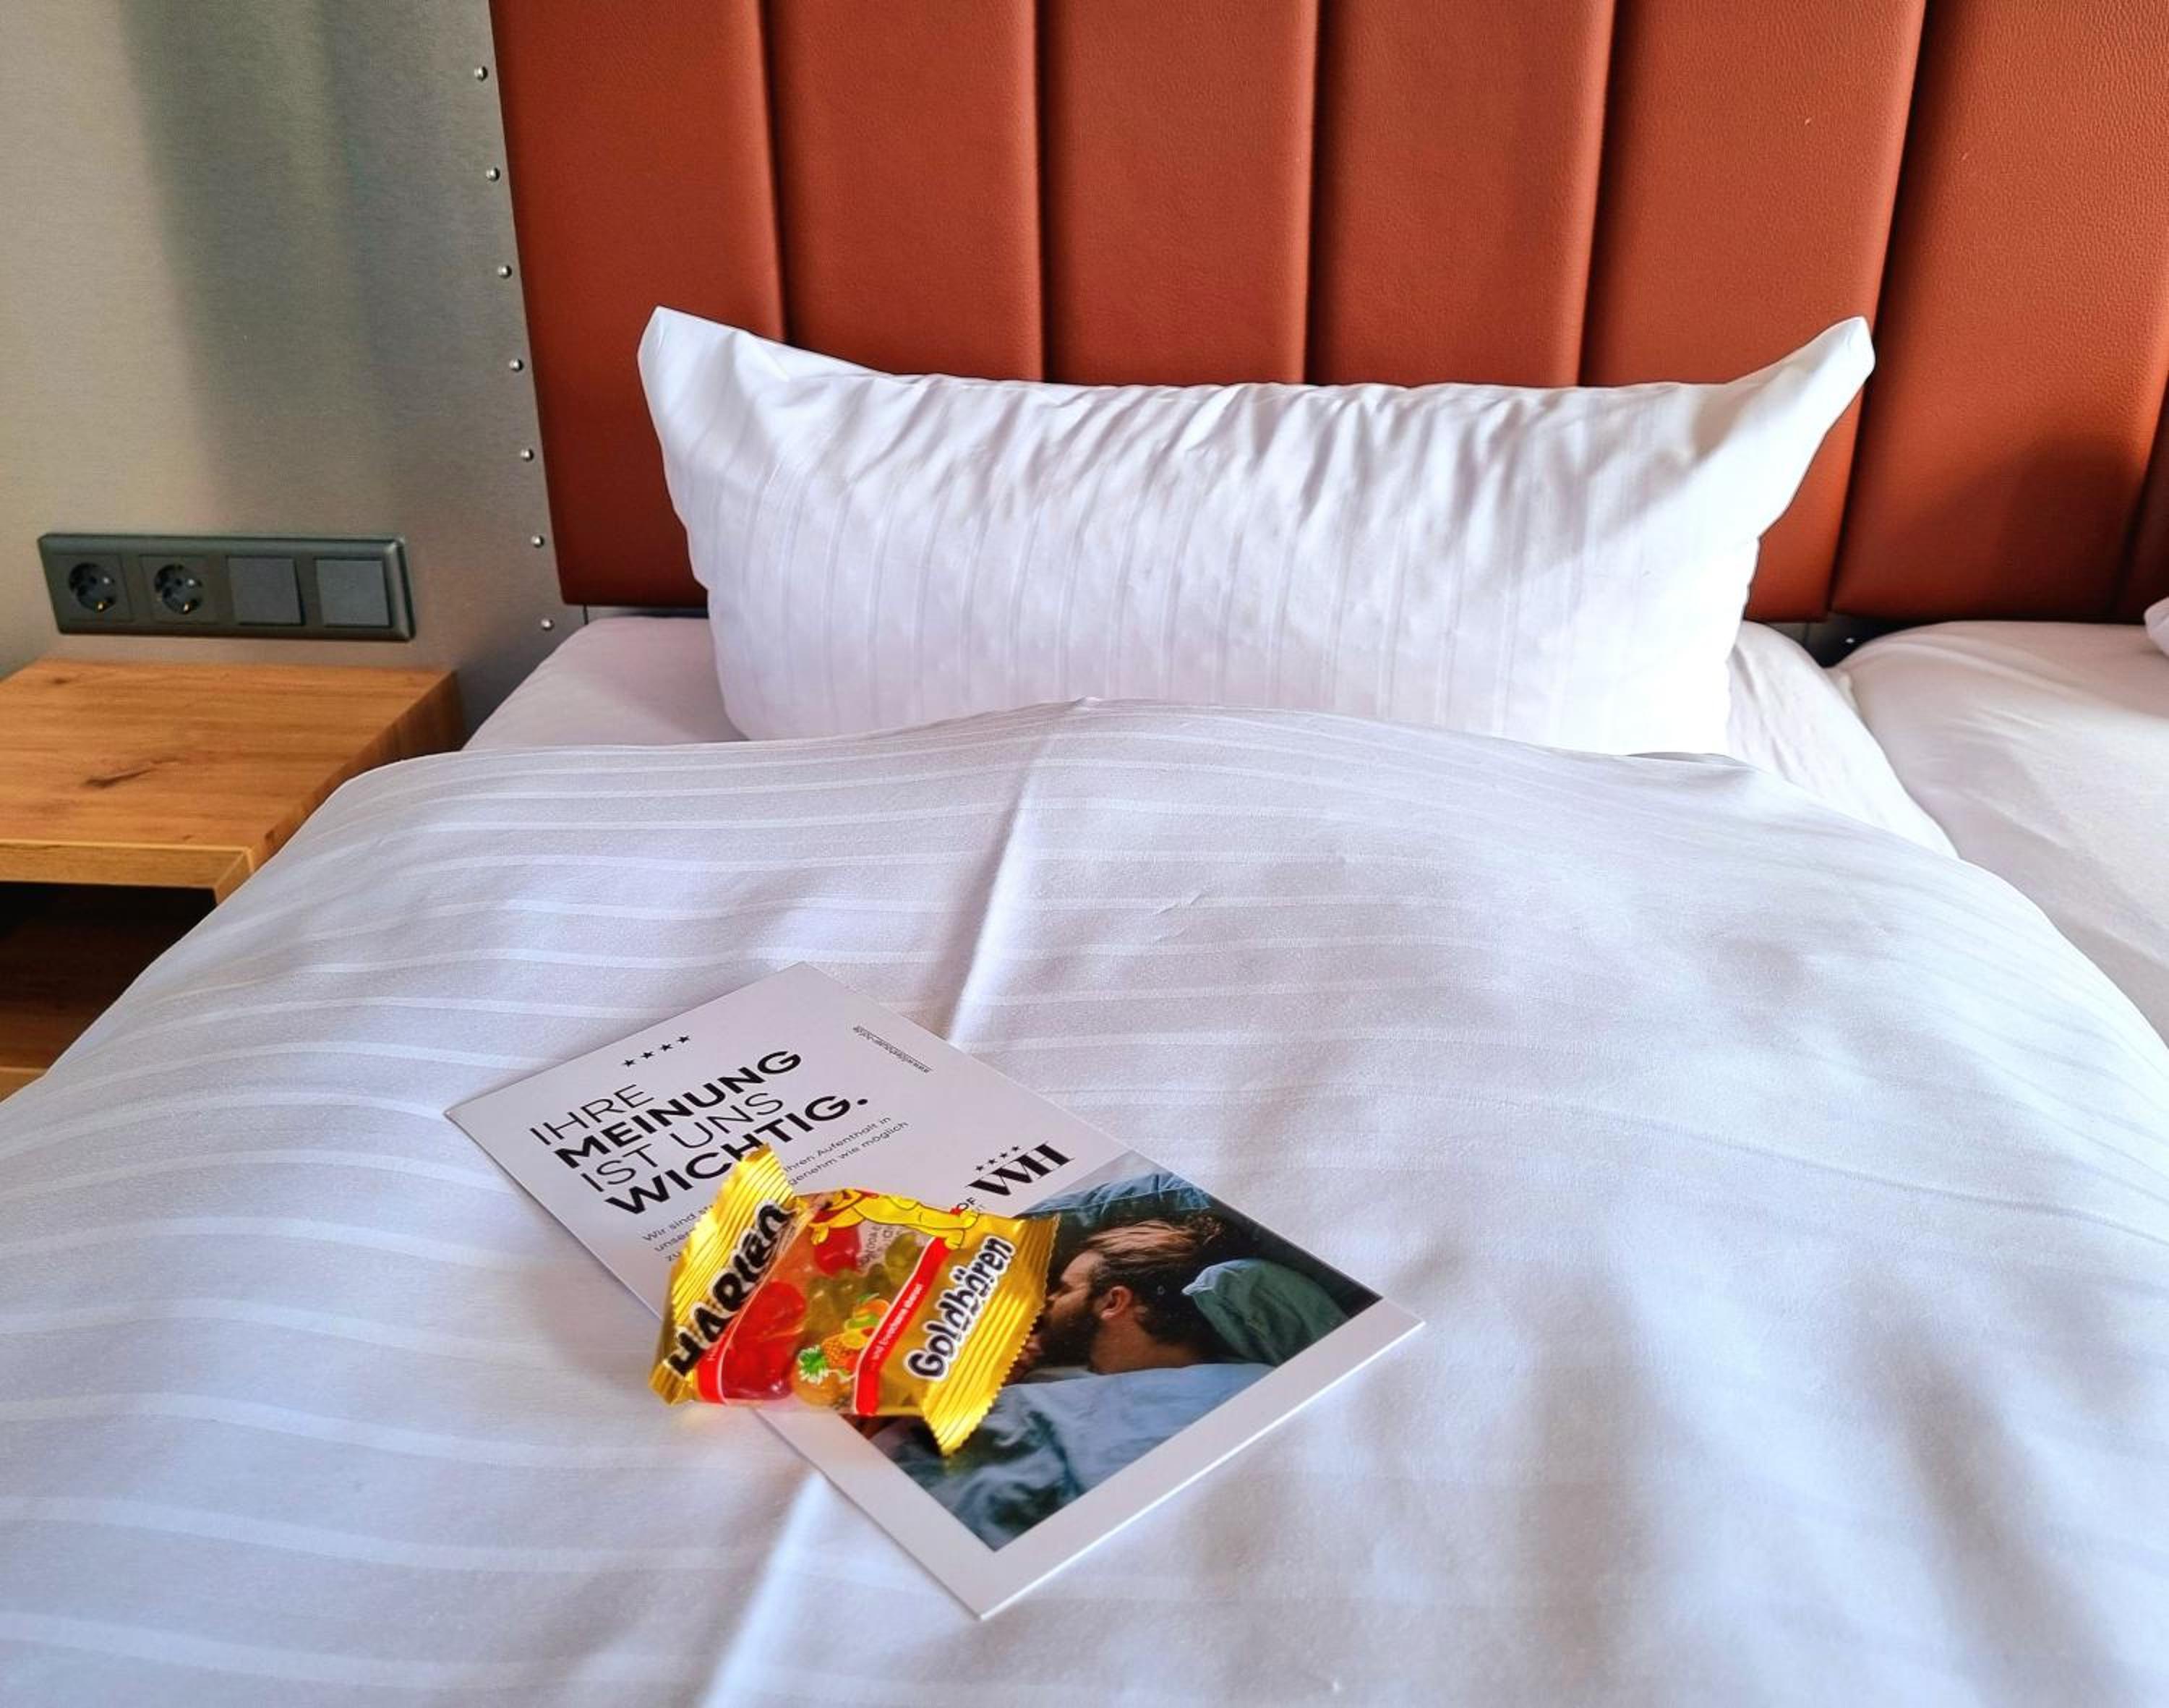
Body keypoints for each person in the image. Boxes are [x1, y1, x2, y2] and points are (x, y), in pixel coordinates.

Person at [877, 1215, 1270, 1549]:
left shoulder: (1246, 1385)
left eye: (1064, 1289)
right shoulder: (1259, 1380)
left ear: (1113, 1302)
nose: (1048, 1301)